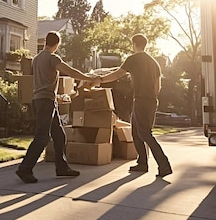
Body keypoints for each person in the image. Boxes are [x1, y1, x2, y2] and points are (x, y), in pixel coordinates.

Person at [16, 31, 100, 184]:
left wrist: (58, 97)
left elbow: (43, 80)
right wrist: (89, 78)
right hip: (45, 101)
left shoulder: (37, 59)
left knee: (59, 135)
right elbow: (70, 71)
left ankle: (61, 167)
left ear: (46, 41)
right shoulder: (52, 58)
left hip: (43, 100)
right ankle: (25, 168)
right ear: (57, 44)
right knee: (42, 137)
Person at [96, 33, 172, 178]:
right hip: (151, 100)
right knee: (136, 132)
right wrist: (153, 97)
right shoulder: (154, 62)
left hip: (141, 100)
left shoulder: (133, 59)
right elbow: (158, 85)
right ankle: (142, 163)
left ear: (134, 44)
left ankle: (164, 165)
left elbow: (117, 74)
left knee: (144, 133)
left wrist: (99, 80)